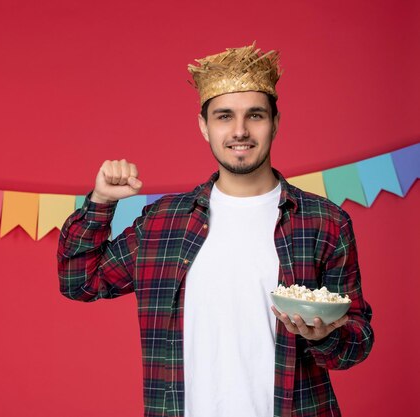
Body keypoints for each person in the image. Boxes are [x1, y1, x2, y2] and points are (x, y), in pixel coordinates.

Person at [57, 43, 374, 417]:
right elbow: (79, 280)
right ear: (204, 127)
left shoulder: (324, 222)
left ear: (275, 122)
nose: (240, 131)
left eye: (254, 115)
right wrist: (100, 202)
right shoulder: (162, 224)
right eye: (224, 116)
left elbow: (358, 339)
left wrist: (327, 335)